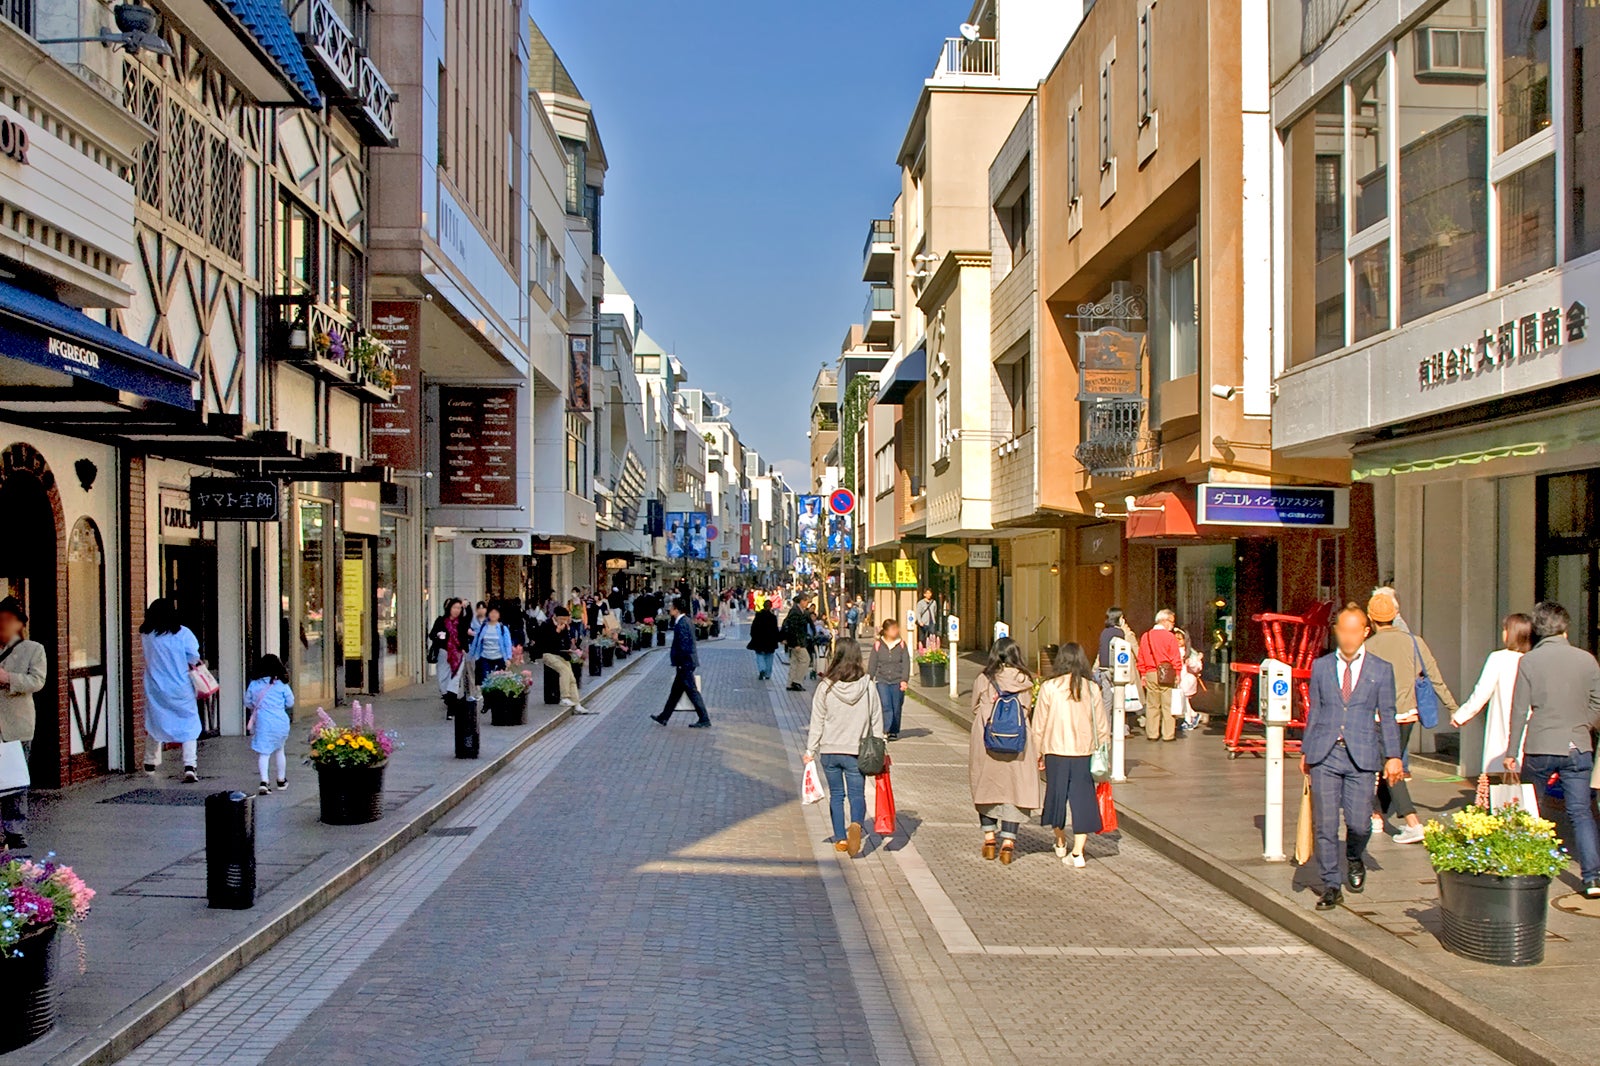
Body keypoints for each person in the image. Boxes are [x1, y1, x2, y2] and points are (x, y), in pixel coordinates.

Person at [1302, 603, 1404, 911]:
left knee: (1360, 823)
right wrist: (1307, 750)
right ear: (1336, 632)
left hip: (1362, 754)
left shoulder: (1380, 669)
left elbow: (1387, 715)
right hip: (1326, 752)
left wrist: (1394, 756)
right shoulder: (1320, 667)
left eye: (1353, 631)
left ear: (1365, 632)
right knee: (1325, 824)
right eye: (1342, 630)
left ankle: (1354, 856)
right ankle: (1331, 884)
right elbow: (1315, 710)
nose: (1347, 637)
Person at [1506, 601, 1600, 899]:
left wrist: (1511, 750)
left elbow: (1519, 710)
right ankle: (1592, 877)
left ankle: (1529, 865)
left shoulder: (1529, 662)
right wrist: (1581, 725)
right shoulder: (1587, 660)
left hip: (1541, 744)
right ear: (1565, 626)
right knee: (1581, 812)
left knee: (1532, 808)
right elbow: (1598, 702)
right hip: (1578, 745)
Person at [1364, 588, 1457, 844]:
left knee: (1383, 767)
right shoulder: (1414, 641)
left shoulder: (1366, 647)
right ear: (1396, 615)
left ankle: (1412, 823)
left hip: (1378, 718)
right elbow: (1435, 677)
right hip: (1408, 717)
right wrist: (1453, 707)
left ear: (1370, 619)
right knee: (1388, 764)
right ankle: (1377, 816)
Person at [803, 637, 885, 857]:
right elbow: (876, 718)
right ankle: (856, 824)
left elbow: (817, 721)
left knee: (836, 795)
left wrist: (810, 751)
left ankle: (840, 838)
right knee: (856, 794)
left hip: (830, 751)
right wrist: (881, 745)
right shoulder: (868, 686)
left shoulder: (825, 688)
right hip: (856, 751)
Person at [1032, 643, 1108, 867]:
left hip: (1055, 750)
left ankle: (1060, 840)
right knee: (1083, 799)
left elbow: (1039, 724)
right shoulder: (1092, 688)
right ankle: (1078, 852)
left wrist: (1037, 751)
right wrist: (1103, 748)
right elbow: (1101, 724)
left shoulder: (1049, 687)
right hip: (1084, 751)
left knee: (1056, 797)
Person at [969, 637, 1041, 864]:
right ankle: (1009, 843)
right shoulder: (1025, 680)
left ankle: (990, 838)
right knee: (1014, 789)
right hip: (1017, 743)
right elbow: (1027, 708)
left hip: (987, 741)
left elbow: (974, 707)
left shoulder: (984, 678)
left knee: (985, 786)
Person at [1451, 613, 1534, 782]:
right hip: (1531, 725)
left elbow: (1482, 691)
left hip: (1504, 722)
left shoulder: (1499, 658)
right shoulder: (1535, 659)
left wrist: (1462, 715)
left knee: (1506, 778)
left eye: (1505, 629)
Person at [0, 597, 47, 850]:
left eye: (10, 619)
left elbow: (37, 681)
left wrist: (9, 678)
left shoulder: (33, 649)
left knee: (15, 778)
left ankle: (14, 829)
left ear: (19, 624)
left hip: (17, 723)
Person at [140, 597, 204, 783]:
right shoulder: (183, 633)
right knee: (189, 725)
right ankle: (189, 766)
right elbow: (193, 657)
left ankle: (149, 761)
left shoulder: (146, 635)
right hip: (181, 687)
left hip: (155, 687)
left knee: (155, 721)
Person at [653, 598, 710, 728]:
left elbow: (684, 645)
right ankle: (664, 716)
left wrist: (681, 662)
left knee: (692, 691)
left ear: (677, 609)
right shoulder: (685, 621)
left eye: (671, 607)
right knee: (675, 692)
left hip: (685, 663)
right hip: (686, 663)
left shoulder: (682, 623)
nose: (669, 609)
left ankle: (704, 718)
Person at [244, 654, 295, 795]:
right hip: (280, 720)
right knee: (280, 749)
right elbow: (290, 702)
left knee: (264, 752)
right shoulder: (281, 685)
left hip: (262, 720)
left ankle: (264, 782)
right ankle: (281, 779)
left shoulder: (254, 684)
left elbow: (247, 702)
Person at [532, 607, 590, 714]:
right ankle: (564, 698)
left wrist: (568, 637)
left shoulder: (565, 627)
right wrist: (557, 631)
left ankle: (577, 703)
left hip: (562, 654)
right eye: (562, 619)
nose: (564, 621)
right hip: (548, 654)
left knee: (571, 677)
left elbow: (566, 642)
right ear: (556, 617)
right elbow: (543, 641)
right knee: (564, 670)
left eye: (566, 619)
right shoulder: (546, 625)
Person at [1137, 609, 1183, 742]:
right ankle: (1168, 734)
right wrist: (1178, 672)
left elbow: (1141, 657)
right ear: (1164, 620)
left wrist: (1143, 673)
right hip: (1166, 673)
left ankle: (1152, 733)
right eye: (1171, 622)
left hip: (1150, 673)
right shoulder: (1170, 637)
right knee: (1167, 704)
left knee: (1152, 704)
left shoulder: (1146, 636)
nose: (1173, 625)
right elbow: (1175, 657)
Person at [867, 619, 910, 741]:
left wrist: (904, 679)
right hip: (882, 679)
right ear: (885, 631)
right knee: (885, 705)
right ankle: (884, 730)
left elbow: (906, 663)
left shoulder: (901, 644)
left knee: (896, 706)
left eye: (896, 628)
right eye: (892, 629)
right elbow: (872, 663)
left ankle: (893, 730)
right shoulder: (878, 645)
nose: (896, 631)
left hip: (897, 680)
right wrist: (869, 679)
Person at [429, 598, 472, 719]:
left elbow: (469, 616)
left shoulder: (462, 622)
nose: (456, 610)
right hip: (444, 653)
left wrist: (467, 606)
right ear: (449, 608)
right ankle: (451, 701)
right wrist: (438, 635)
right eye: (454, 608)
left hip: (458, 654)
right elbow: (432, 634)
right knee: (443, 681)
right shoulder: (441, 621)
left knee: (454, 681)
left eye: (459, 608)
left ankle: (451, 711)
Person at [1094, 608, 1133, 737]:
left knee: (1107, 701)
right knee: (1119, 701)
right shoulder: (1119, 632)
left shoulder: (1104, 632)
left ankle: (1105, 727)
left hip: (1104, 670)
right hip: (1115, 671)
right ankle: (1120, 727)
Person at [469, 604, 512, 687]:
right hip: (485, 658)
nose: (493, 614)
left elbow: (508, 644)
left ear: (499, 615)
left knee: (498, 683)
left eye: (496, 613)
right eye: (491, 612)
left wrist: (508, 658)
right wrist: (472, 656)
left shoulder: (503, 628)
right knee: (485, 683)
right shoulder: (483, 627)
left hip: (499, 659)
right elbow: (476, 642)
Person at [782, 595, 813, 692]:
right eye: (807, 602)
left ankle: (790, 683)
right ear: (802, 601)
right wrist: (796, 643)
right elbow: (794, 628)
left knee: (794, 662)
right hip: (797, 642)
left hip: (794, 641)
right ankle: (797, 681)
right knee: (805, 660)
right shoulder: (796, 612)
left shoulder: (797, 610)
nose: (807, 604)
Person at [747, 600, 781, 680]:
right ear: (771, 607)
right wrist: (778, 638)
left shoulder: (758, 616)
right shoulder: (773, 618)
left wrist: (753, 636)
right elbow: (775, 630)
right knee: (769, 657)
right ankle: (768, 673)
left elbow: (753, 628)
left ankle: (762, 669)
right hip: (770, 641)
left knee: (759, 655)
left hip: (759, 640)